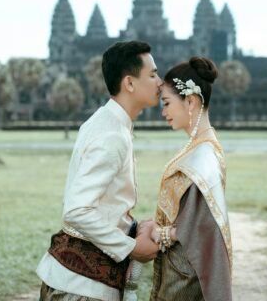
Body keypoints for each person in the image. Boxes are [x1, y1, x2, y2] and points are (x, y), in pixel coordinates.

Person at [36, 41, 162, 301]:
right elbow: (77, 210)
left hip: (77, 282)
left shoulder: (105, 122)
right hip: (81, 289)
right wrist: (131, 247)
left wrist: (135, 226)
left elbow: (104, 203)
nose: (159, 82)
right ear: (129, 83)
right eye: (152, 74)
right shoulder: (112, 134)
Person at [149, 56, 232, 301]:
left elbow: (203, 226)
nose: (163, 112)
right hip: (180, 265)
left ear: (191, 101)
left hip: (186, 273)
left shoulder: (203, 156)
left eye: (166, 103)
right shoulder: (198, 147)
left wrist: (162, 234)